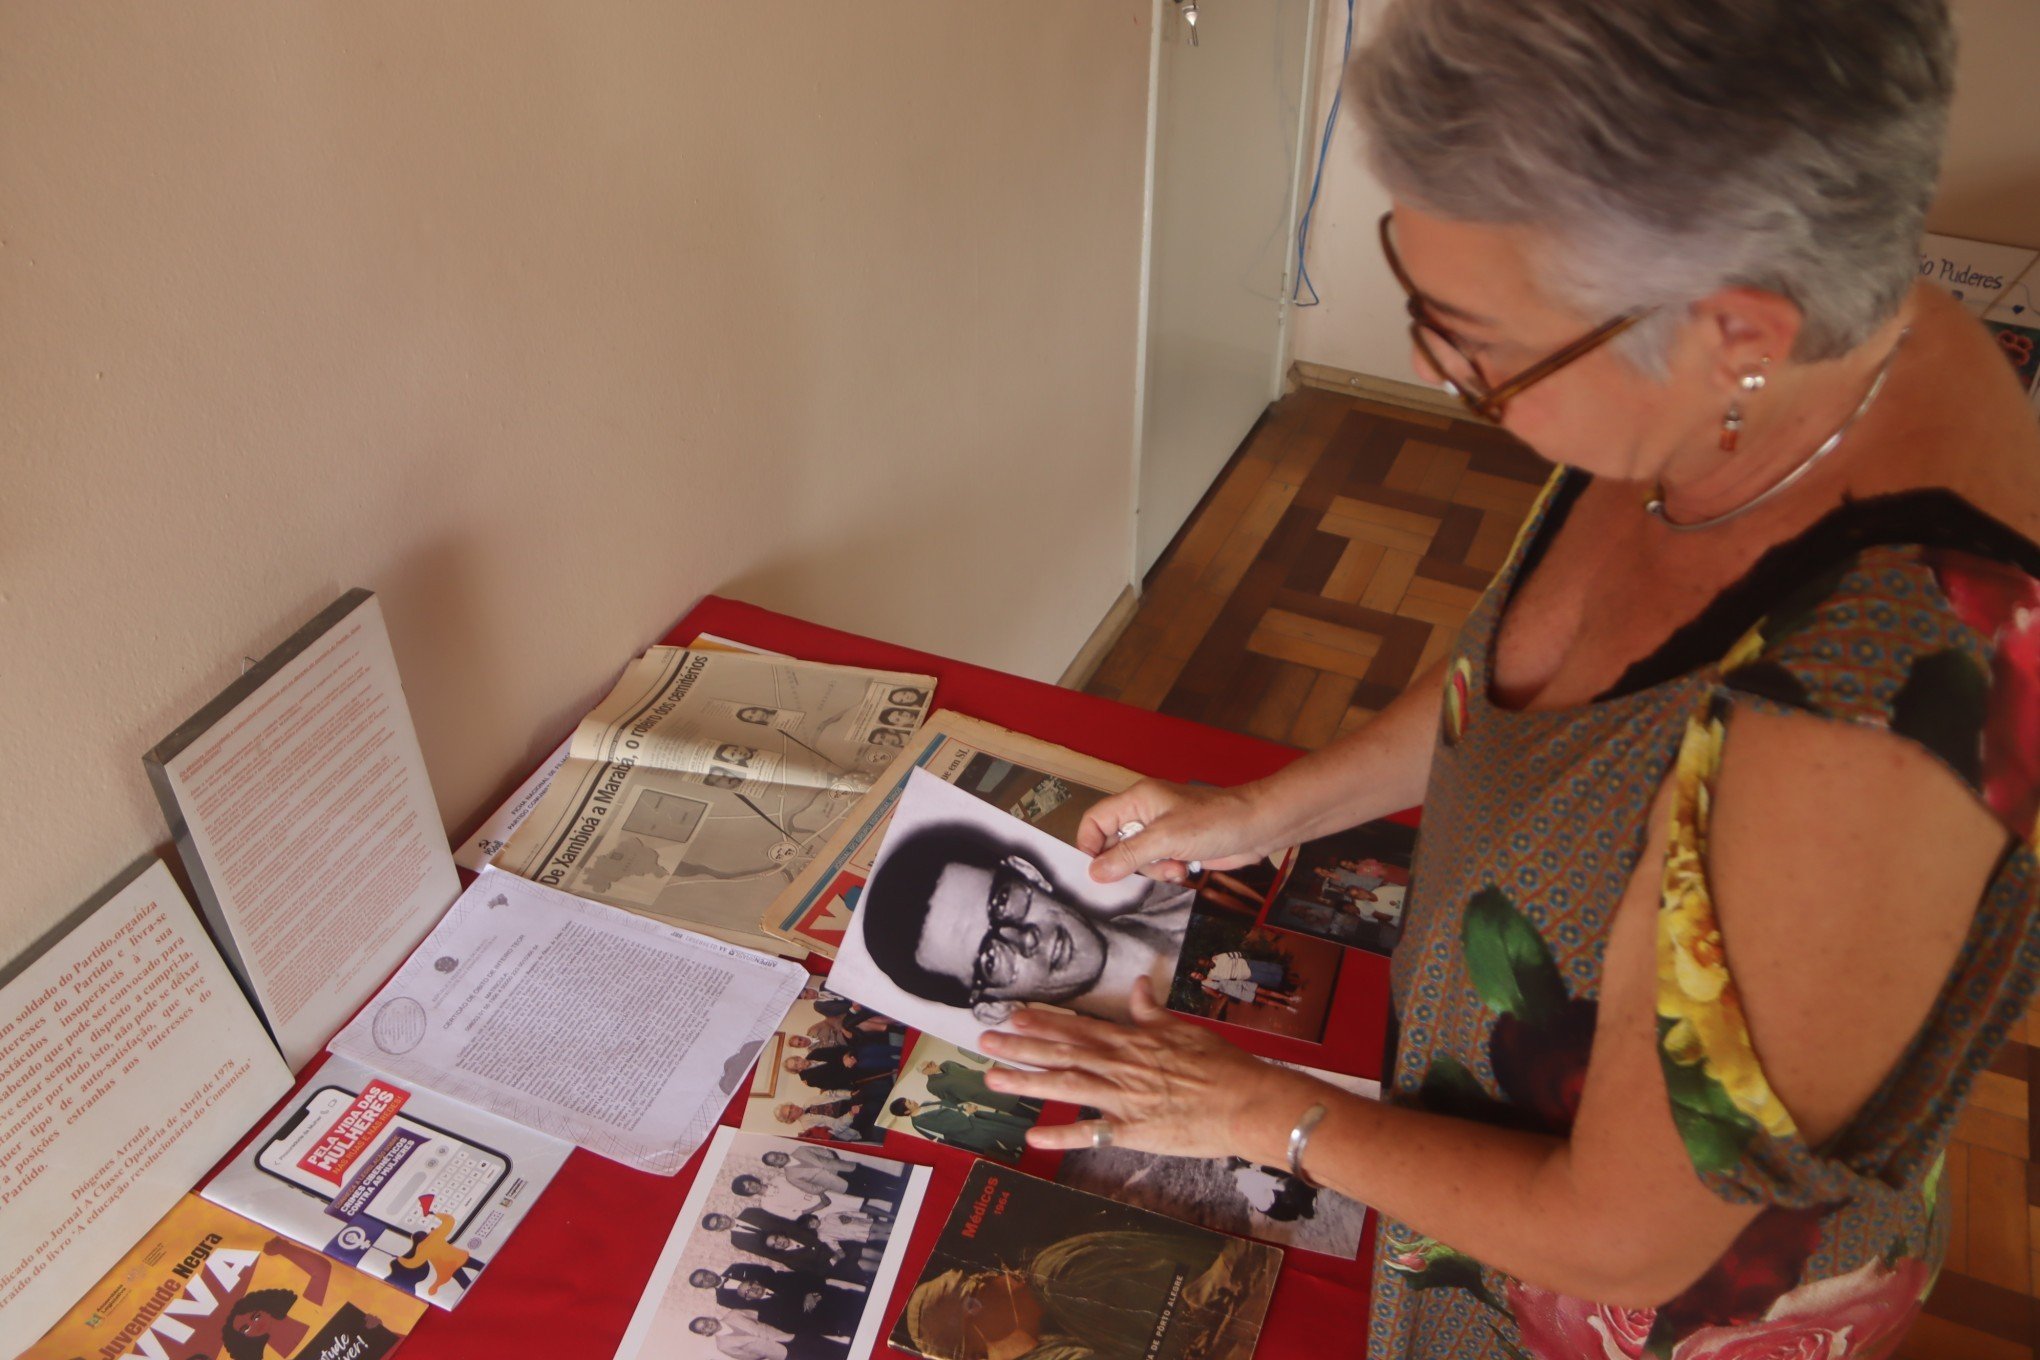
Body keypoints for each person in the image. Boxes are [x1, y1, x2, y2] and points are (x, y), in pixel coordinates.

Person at [976, 4, 2040, 1357]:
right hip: (1491, 1147)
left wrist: (1253, 1114)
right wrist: (1264, 813)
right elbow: (1526, 682)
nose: (1431, 362)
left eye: (1472, 337)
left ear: (1736, 331)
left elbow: (1634, 1238)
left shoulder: (1870, 732)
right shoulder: (1776, 364)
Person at [860, 821, 1193, 1023]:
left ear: (1026, 872)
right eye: (991, 960)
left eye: (1004, 901)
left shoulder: (1187, 862)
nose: (1026, 939)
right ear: (993, 1007)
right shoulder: (1142, 1112)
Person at [899, 1231, 1272, 1360]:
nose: (999, 1277)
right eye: (979, 1290)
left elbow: (1197, 1294)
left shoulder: (1058, 1277)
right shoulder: (1050, 1318)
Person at [888, 1095, 1030, 1161]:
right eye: (908, 1103)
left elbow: (948, 1105)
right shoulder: (919, 1122)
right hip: (968, 1130)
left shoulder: (925, 1105)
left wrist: (964, 1107)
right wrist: (966, 1114)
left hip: (972, 1118)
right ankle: (1028, 1147)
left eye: (909, 1099)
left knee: (1005, 1127)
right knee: (1003, 1136)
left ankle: (1028, 1138)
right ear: (906, 1112)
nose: (912, 1100)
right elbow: (945, 1128)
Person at [920, 1057, 1042, 1118]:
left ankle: (1052, 1106)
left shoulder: (947, 1064)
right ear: (924, 1073)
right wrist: (969, 1095)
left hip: (990, 1081)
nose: (932, 1064)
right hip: (985, 1095)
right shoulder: (932, 1085)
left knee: (1025, 1095)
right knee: (1018, 1109)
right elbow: (950, 1100)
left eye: (930, 1062)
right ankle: (1045, 1121)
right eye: (928, 1066)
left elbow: (965, 1069)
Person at [1190, 952, 1301, 1012]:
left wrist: (1241, 963)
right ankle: (1290, 990)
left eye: (1206, 961)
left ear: (1207, 959)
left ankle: (1297, 982)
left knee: (1273, 970)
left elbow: (1237, 954)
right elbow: (1222, 987)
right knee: (1270, 981)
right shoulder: (1212, 975)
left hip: (1248, 964)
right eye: (1204, 964)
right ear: (1203, 967)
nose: (1207, 963)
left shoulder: (1218, 958)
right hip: (1246, 977)